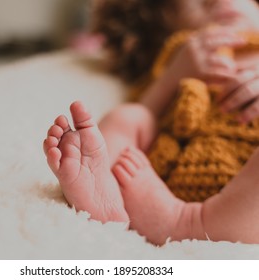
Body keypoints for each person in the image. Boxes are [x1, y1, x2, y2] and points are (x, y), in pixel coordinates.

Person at [43, 0, 259, 245]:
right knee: (128, 115)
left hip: (246, 190)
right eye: (197, 3)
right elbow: (147, 112)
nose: (218, 1)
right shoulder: (178, 56)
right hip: (160, 177)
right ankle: (105, 191)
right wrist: (174, 74)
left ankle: (185, 223)